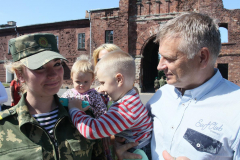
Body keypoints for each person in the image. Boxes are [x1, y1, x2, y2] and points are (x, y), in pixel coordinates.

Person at [115, 12, 240, 160]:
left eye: (169, 59)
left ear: (202, 57)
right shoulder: (161, 95)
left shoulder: (235, 109)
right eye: (160, 57)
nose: (159, 66)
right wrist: (122, 147)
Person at [0, 33, 105, 160]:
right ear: (20, 74)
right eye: (40, 67)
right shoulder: (5, 126)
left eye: (57, 64)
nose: (53, 74)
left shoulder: (82, 116)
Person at [69, 50, 153, 160]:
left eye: (103, 83)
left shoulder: (125, 108)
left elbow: (92, 130)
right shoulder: (132, 98)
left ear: (119, 79)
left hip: (138, 153)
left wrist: (75, 109)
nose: (102, 88)